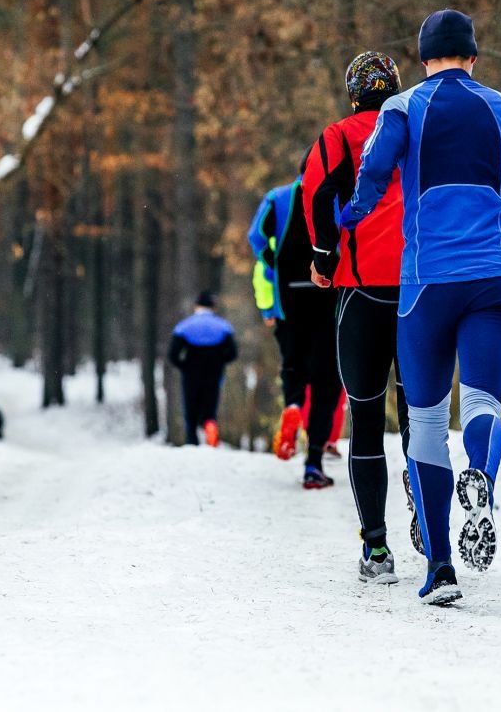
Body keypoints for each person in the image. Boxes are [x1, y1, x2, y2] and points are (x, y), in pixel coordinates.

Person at [339, 10, 501, 605]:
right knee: (483, 403)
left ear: (422, 58)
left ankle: (440, 568)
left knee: (428, 423)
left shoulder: (404, 107)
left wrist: (353, 216)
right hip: (494, 278)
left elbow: (374, 173)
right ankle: (482, 485)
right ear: (474, 54)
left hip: (426, 284)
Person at [303, 50, 414, 585]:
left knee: (366, 418)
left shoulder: (338, 136)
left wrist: (324, 257)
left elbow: (317, 194)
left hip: (362, 288)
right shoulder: (416, 124)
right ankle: (431, 528)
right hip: (421, 286)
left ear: (352, 93)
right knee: (422, 414)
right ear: (395, 87)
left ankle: (377, 550)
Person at [248, 170, 344, 488]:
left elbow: (256, 236)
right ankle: (313, 461)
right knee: (327, 379)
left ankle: (292, 404)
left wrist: (274, 261)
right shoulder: (336, 194)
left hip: (288, 295)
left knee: (293, 364)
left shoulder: (277, 198)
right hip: (328, 294)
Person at [167, 291, 237, 448]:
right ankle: (210, 426)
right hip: (214, 370)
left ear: (196, 306)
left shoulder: (184, 326)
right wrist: (219, 361)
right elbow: (232, 353)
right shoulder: (223, 326)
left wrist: (184, 366)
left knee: (190, 407)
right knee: (210, 405)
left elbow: (173, 355)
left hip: (191, 370)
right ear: (213, 307)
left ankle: (192, 441)